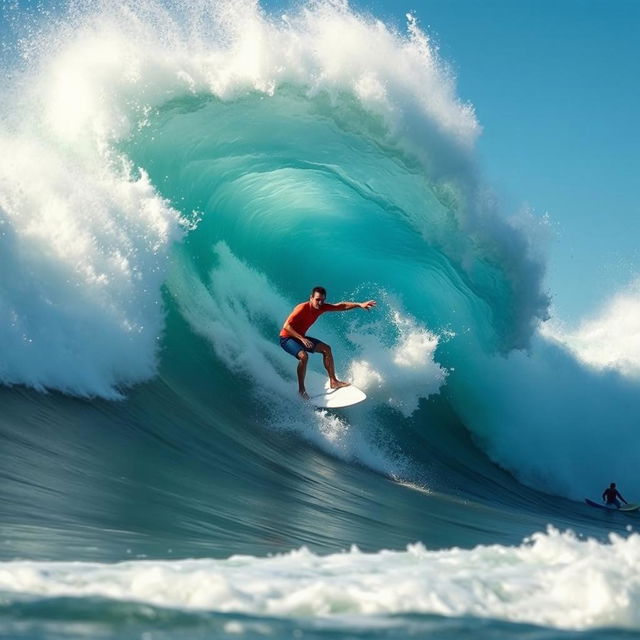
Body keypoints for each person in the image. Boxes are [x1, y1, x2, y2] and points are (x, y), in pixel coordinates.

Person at [279, 286, 376, 399]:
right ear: (311, 298)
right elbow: (286, 326)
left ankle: (333, 381)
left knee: (326, 349)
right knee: (303, 356)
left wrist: (359, 305)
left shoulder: (321, 307)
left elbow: (341, 306)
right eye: (317, 299)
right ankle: (301, 390)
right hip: (286, 338)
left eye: (322, 300)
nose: (320, 303)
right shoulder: (302, 308)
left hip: (300, 338)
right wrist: (302, 339)